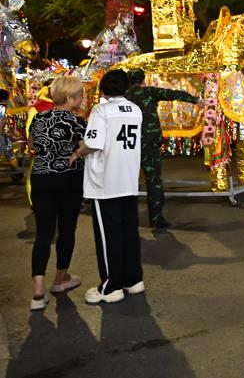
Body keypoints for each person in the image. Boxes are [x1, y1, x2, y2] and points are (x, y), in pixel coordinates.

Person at [72, 69, 144, 305]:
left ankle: (110, 287)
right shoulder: (135, 109)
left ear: (102, 89)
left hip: (106, 183)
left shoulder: (101, 111)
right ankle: (133, 279)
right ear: (127, 88)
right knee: (129, 233)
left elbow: (93, 143)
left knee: (108, 236)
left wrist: (77, 153)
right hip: (128, 180)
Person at [27, 76, 87, 311]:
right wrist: (76, 154)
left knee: (43, 233)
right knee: (66, 229)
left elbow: (32, 144)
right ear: (70, 98)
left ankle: (37, 289)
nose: (82, 98)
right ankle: (61, 278)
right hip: (69, 178)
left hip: (41, 177)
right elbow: (86, 146)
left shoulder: (39, 117)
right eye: (80, 94)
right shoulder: (77, 121)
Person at [124, 69, 199, 229]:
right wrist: (196, 100)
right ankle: (156, 219)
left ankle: (128, 220)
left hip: (128, 146)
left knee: (129, 183)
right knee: (154, 181)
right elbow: (173, 94)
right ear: (143, 80)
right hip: (150, 145)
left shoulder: (124, 96)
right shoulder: (149, 92)